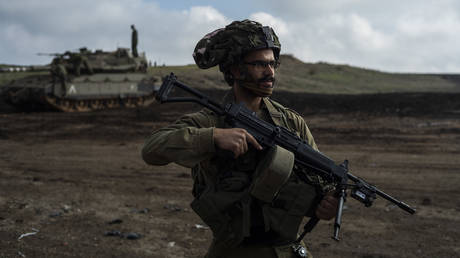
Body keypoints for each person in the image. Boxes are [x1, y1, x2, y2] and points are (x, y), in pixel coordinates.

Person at [142, 20, 338, 258]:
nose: (270, 72)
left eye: (273, 63)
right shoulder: (210, 121)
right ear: (235, 69)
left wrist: (324, 205)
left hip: (285, 249)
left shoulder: (291, 123)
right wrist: (213, 138)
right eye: (260, 64)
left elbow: (320, 182)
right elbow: (152, 149)